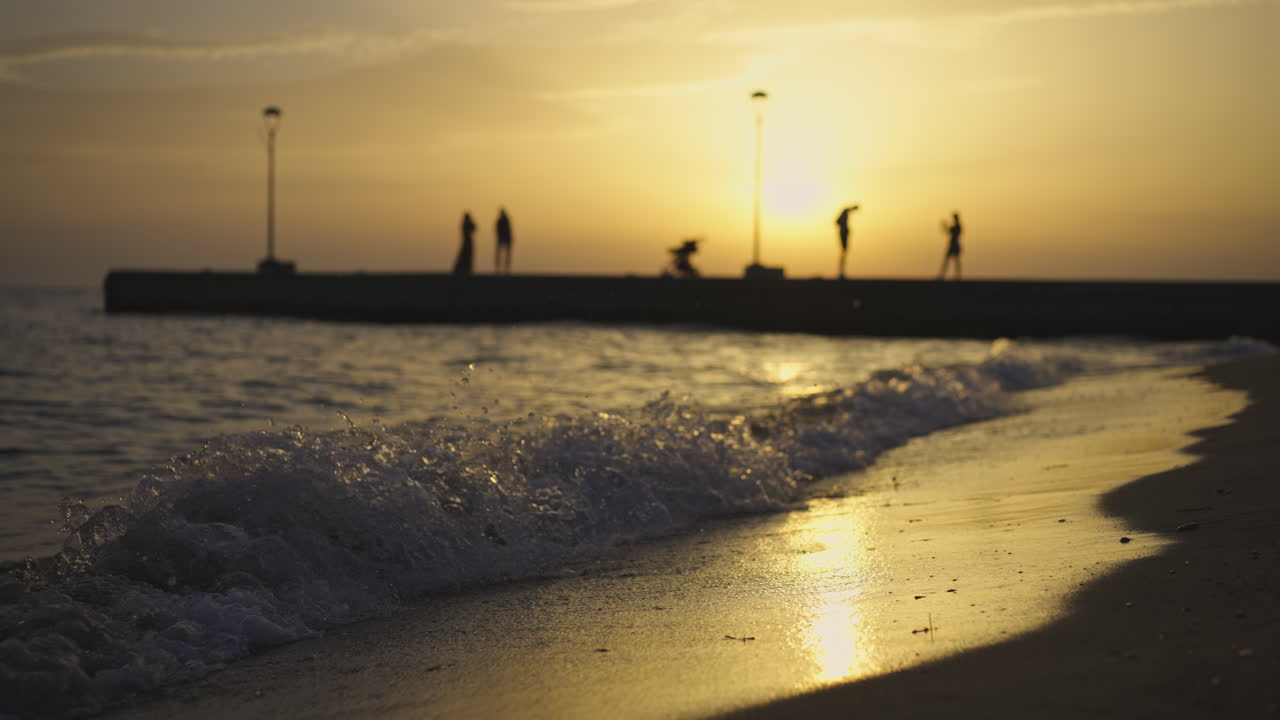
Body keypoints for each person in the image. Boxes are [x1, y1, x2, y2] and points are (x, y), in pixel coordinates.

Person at [835, 205, 860, 279]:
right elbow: (837, 221)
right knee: (844, 252)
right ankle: (841, 272)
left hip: (844, 233)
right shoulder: (845, 212)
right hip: (843, 234)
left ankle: (842, 272)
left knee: (844, 252)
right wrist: (845, 228)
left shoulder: (845, 212)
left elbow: (837, 221)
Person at [939, 211, 962, 280]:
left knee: (952, 260)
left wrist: (945, 226)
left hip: (954, 244)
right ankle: (955, 276)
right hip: (954, 244)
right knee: (952, 260)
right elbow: (949, 231)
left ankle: (956, 276)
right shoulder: (957, 226)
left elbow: (950, 231)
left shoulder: (957, 226)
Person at [453, 211, 476, 276]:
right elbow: (473, 228)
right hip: (467, 241)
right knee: (465, 256)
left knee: (468, 256)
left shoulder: (465, 223)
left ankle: (467, 270)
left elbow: (474, 228)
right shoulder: (465, 224)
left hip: (468, 241)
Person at [494, 208, 513, 274]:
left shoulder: (503, 220)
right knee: (501, 254)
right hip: (503, 239)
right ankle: (499, 268)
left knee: (505, 255)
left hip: (505, 239)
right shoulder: (502, 221)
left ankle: (504, 268)